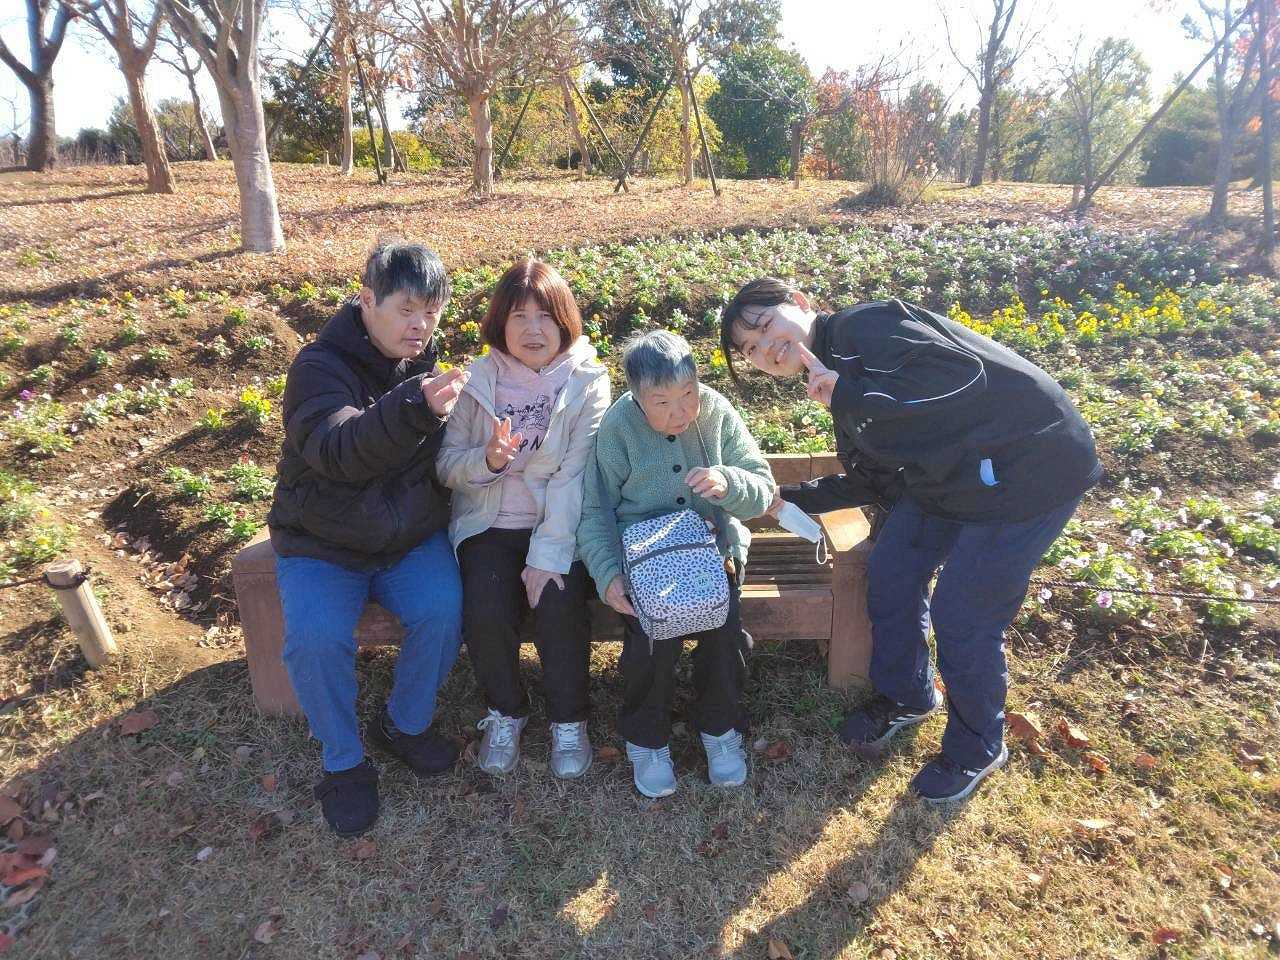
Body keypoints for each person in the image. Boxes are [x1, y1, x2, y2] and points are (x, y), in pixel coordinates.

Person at [719, 279, 1102, 804]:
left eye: (765, 326)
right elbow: (875, 478)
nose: (766, 349)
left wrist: (851, 396)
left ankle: (978, 746)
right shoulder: (833, 377)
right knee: (893, 571)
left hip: (1030, 466)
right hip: (952, 477)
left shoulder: (864, 329)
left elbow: (962, 381)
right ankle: (909, 696)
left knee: (963, 613)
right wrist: (783, 497)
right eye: (752, 350)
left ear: (801, 304)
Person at [267, 240, 468, 836]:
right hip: (321, 544)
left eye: (431, 311)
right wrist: (413, 408)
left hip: (405, 540)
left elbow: (448, 463)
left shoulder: (428, 373)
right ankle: (344, 761)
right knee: (316, 639)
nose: (420, 324)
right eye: (406, 308)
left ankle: (404, 724)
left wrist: (488, 456)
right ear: (366, 301)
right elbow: (336, 448)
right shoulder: (317, 368)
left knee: (442, 609)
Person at [577, 330, 776, 799]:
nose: (681, 411)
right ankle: (646, 739)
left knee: (724, 638)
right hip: (646, 561)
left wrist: (727, 484)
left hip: (713, 551)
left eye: (688, 394)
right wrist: (608, 574)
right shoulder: (619, 426)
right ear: (636, 395)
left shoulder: (716, 412)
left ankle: (720, 728)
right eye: (662, 402)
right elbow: (595, 509)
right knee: (651, 645)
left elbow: (763, 486)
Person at [438, 258, 611, 779]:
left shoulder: (587, 382)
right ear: (499, 323)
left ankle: (568, 719)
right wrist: (488, 461)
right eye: (519, 316)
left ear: (565, 322)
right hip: (489, 522)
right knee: (485, 605)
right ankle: (506, 711)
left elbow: (574, 476)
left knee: (558, 603)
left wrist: (548, 555)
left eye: (545, 317)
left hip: (557, 524)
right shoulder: (478, 382)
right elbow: (448, 466)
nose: (533, 330)